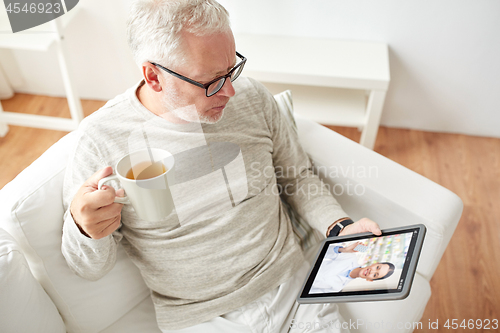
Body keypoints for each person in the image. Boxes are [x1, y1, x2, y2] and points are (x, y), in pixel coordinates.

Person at [61, 1, 382, 332]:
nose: (230, 91)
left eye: (231, 69)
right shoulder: (101, 140)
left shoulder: (251, 97)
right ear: (154, 76)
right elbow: (87, 268)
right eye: (212, 80)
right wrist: (84, 228)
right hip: (201, 318)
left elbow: (296, 176)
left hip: (292, 288)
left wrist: (339, 227)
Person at [310, 242, 395, 294]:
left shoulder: (339, 288)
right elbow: (323, 251)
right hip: (307, 264)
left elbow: (311, 292)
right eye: (377, 267)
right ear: (375, 263)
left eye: (375, 275)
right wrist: (344, 250)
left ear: (370, 280)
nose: (372, 271)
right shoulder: (350, 257)